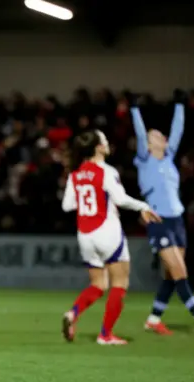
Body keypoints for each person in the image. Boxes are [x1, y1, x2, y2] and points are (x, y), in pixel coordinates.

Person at [130, 92, 194, 335]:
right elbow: (139, 133)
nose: (158, 135)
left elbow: (178, 129)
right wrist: (134, 110)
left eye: (159, 134)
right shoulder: (144, 160)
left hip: (177, 220)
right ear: (148, 144)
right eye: (153, 135)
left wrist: (180, 105)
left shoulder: (168, 158)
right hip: (158, 220)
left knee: (171, 274)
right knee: (180, 270)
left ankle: (153, 318)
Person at [61, 130, 161, 345]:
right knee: (120, 282)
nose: (108, 143)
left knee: (98, 284)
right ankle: (105, 335)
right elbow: (120, 198)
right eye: (104, 140)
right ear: (98, 147)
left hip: (85, 234)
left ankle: (73, 313)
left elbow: (67, 205)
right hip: (107, 231)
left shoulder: (75, 174)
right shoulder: (106, 171)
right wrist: (143, 206)